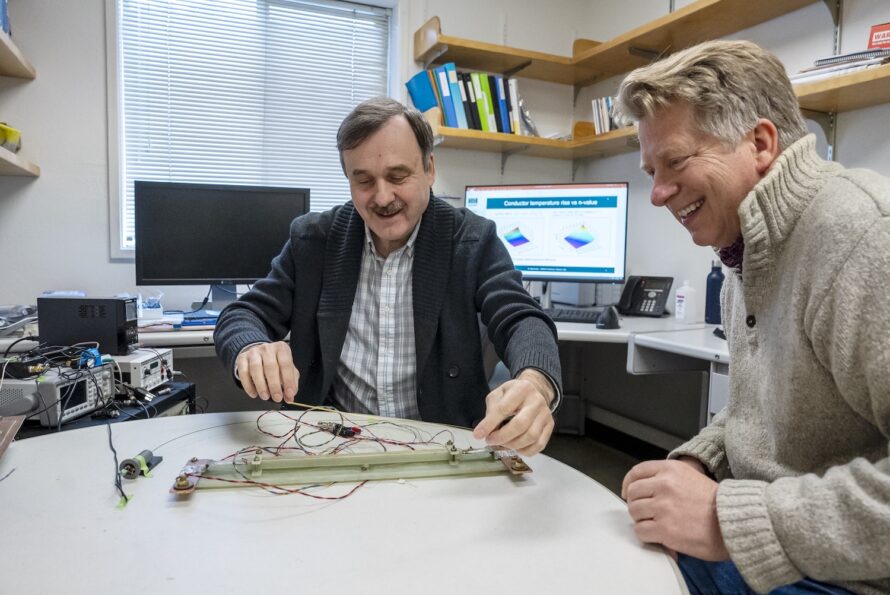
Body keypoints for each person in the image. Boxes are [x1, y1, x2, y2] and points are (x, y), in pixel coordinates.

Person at [613, 40, 890, 594]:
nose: (658, 193)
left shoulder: (862, 237)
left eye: (676, 161)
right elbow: (766, 411)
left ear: (760, 143)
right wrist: (702, 465)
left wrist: (731, 519)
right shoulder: (747, 245)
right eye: (650, 170)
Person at [214, 96, 562, 456]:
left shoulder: (472, 240)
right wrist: (252, 348)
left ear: (429, 168)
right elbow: (241, 316)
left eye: (398, 176)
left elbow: (521, 318)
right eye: (363, 180)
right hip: (327, 445)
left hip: (443, 448)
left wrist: (535, 383)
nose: (382, 197)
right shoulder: (314, 240)